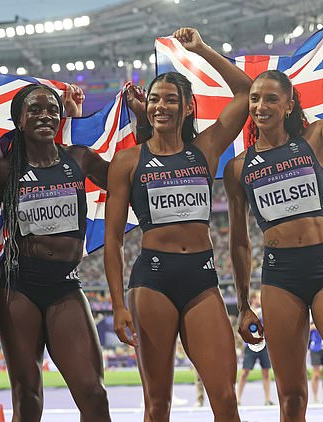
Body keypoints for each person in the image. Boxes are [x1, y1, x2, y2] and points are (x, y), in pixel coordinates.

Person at [223, 8, 323, 421]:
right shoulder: (238, 168)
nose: (260, 105)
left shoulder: (314, 140)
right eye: (254, 98)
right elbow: (239, 241)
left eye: (270, 98)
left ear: (288, 103)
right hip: (280, 276)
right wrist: (243, 305)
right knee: (292, 398)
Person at [104, 27, 252, 421]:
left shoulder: (204, 149)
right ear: (146, 106)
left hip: (202, 280)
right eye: (154, 100)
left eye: (171, 100)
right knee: (157, 404)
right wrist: (118, 304)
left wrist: (202, 49)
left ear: (188, 107)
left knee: (224, 396)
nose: (160, 107)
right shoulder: (128, 162)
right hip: (152, 281)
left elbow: (245, 93)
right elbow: (114, 239)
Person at [0, 83, 112, 421]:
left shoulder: (79, 159)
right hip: (18, 285)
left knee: (94, 394)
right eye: (35, 110)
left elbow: (125, 178)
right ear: (19, 120)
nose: (45, 115)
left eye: (52, 109)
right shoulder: (4, 170)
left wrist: (142, 124)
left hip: (65, 285)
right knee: (27, 394)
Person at [236, 291, 273, 406]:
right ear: (253, 299)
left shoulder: (265, 312)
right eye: (258, 298)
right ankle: (237, 399)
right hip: (250, 346)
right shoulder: (247, 312)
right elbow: (240, 329)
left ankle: (267, 399)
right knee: (244, 372)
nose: (261, 300)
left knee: (266, 372)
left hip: (264, 345)